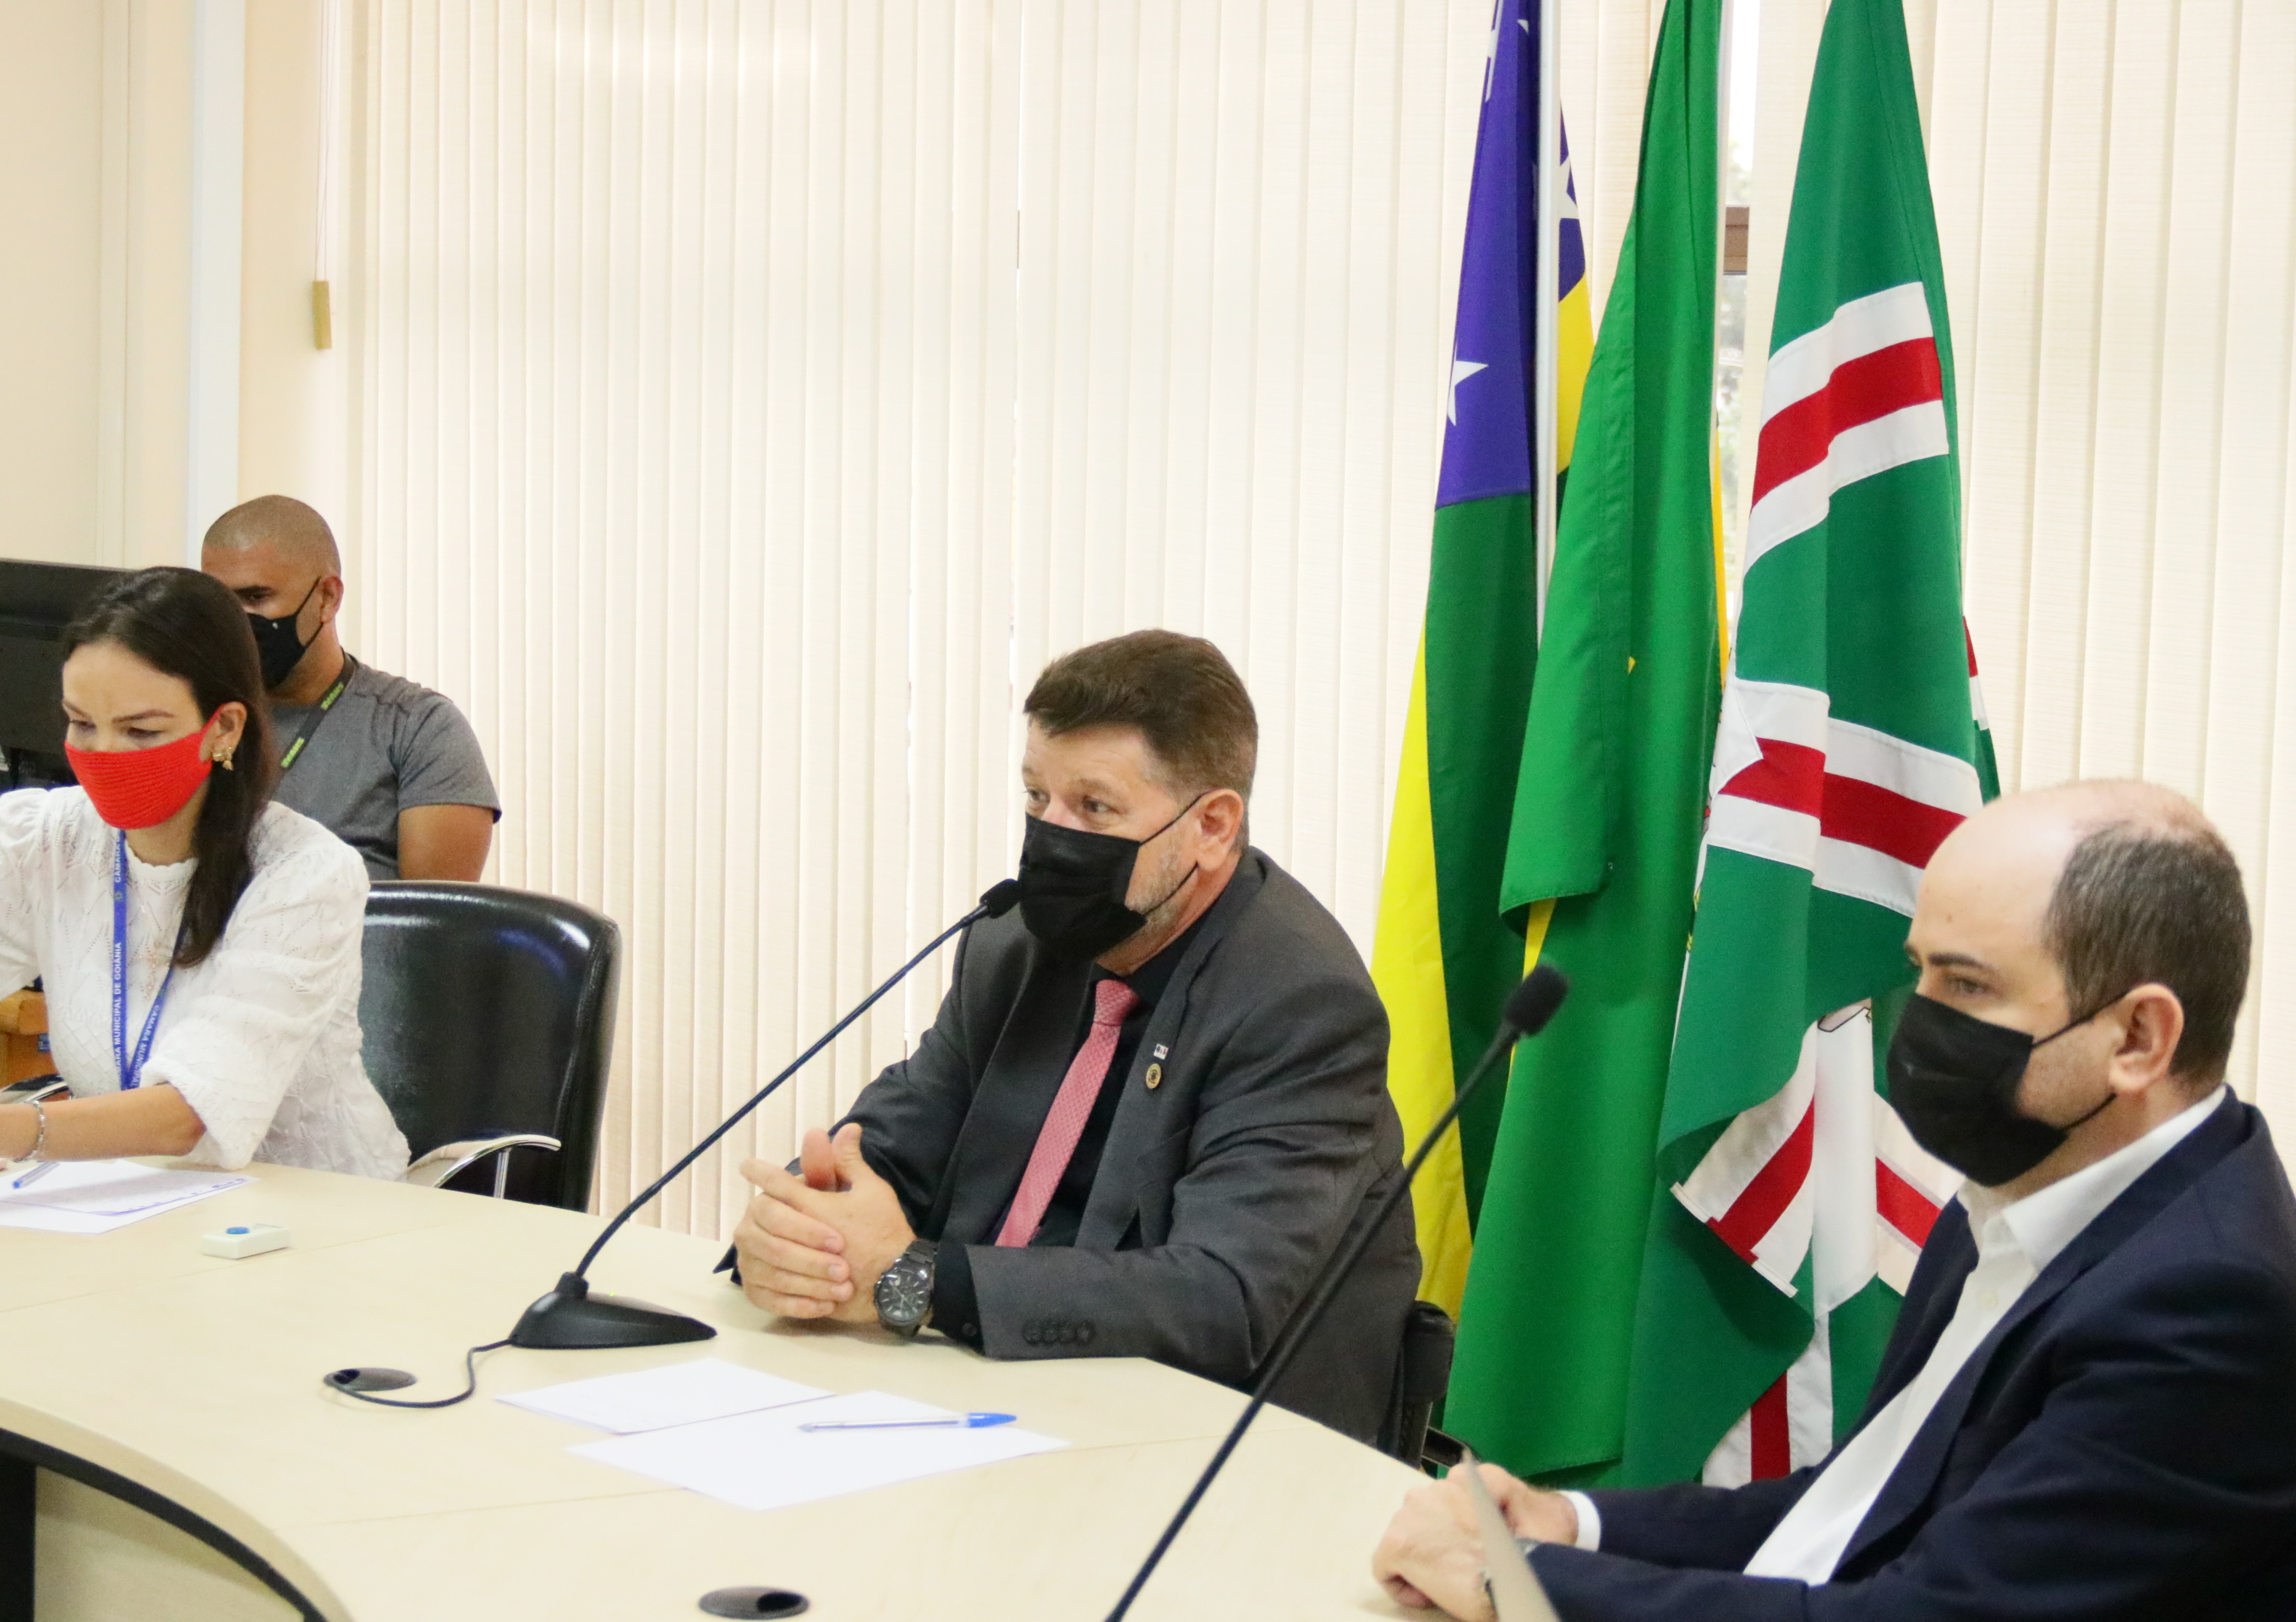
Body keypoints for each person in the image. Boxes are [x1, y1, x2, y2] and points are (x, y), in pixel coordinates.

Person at [1372, 780, 2296, 1620]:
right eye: (1919, 969)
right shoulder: (2021, 1199)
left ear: (2138, 1038)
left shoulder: (2208, 1309)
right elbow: (1867, 1502)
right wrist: (1571, 1525)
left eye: (1967, 984)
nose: (1916, 1020)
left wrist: (1515, 1582)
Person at [727, 631, 1419, 1444]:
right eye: (1036, 798)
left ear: (1211, 826)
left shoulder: (1300, 1004)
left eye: (1093, 807)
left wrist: (918, 1280)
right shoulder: (1014, 943)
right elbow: (894, 1144)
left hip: (1198, 1451)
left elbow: (1220, 1296)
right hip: (969, 1403)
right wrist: (800, 1235)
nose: (1049, 838)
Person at [0, 567, 410, 1236]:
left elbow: (189, 1113)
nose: (105, 753)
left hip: (318, 1218)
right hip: (135, 1208)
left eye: (141, 731)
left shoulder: (304, 874)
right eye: (82, 724)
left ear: (223, 728)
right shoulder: (45, 837)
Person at [200, 494, 499, 882]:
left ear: (327, 597)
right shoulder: (189, 715)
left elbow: (431, 915)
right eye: (221, 601)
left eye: (257, 597)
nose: (237, 620)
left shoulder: (419, 728)